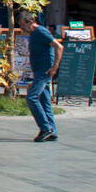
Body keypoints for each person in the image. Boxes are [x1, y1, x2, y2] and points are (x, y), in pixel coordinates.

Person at [20, 9, 63, 142]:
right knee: (45, 102)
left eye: (23, 25)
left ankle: (45, 129)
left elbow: (59, 47)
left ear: (31, 21)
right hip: (39, 70)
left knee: (31, 97)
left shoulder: (41, 31)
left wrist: (54, 68)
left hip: (44, 72)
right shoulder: (34, 34)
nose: (22, 28)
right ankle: (52, 131)